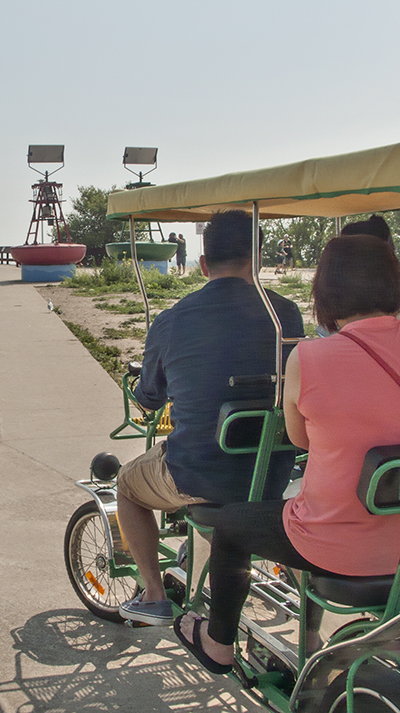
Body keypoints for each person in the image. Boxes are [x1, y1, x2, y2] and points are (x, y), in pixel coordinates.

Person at [173, 234, 400, 674]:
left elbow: (303, 440)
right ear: (394, 283)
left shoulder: (309, 356)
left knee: (232, 524)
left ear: (325, 293)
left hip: (335, 544)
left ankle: (218, 644)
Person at [116, 210, 305, 626]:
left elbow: (150, 396)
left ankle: (152, 594)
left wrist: (141, 388)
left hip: (201, 475)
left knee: (127, 484)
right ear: (258, 257)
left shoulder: (171, 320)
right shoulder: (287, 315)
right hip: (273, 473)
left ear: (203, 264)